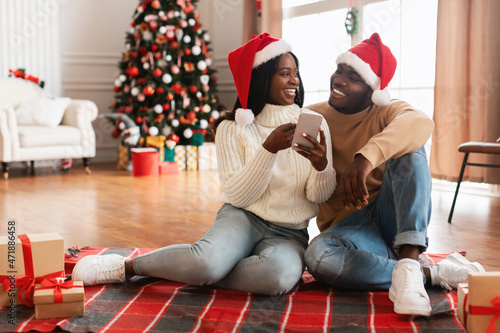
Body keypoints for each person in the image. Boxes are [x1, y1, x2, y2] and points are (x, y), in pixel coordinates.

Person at [72, 33, 336, 296]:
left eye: (296, 73)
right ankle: (128, 266)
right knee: (205, 262)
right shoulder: (232, 128)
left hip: (289, 233)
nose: (295, 81)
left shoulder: (314, 123)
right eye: (285, 73)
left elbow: (317, 196)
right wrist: (268, 149)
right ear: (261, 78)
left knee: (276, 278)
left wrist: (322, 165)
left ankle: (191, 272)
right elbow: (238, 196)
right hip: (243, 217)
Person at [304, 33, 484, 316]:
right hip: (350, 232)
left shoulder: (386, 110)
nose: (339, 80)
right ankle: (426, 273)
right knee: (319, 258)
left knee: (411, 150)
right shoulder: (313, 117)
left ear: (372, 90)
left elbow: (420, 122)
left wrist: (366, 158)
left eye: (353, 77)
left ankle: (410, 257)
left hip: (393, 218)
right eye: (339, 70)